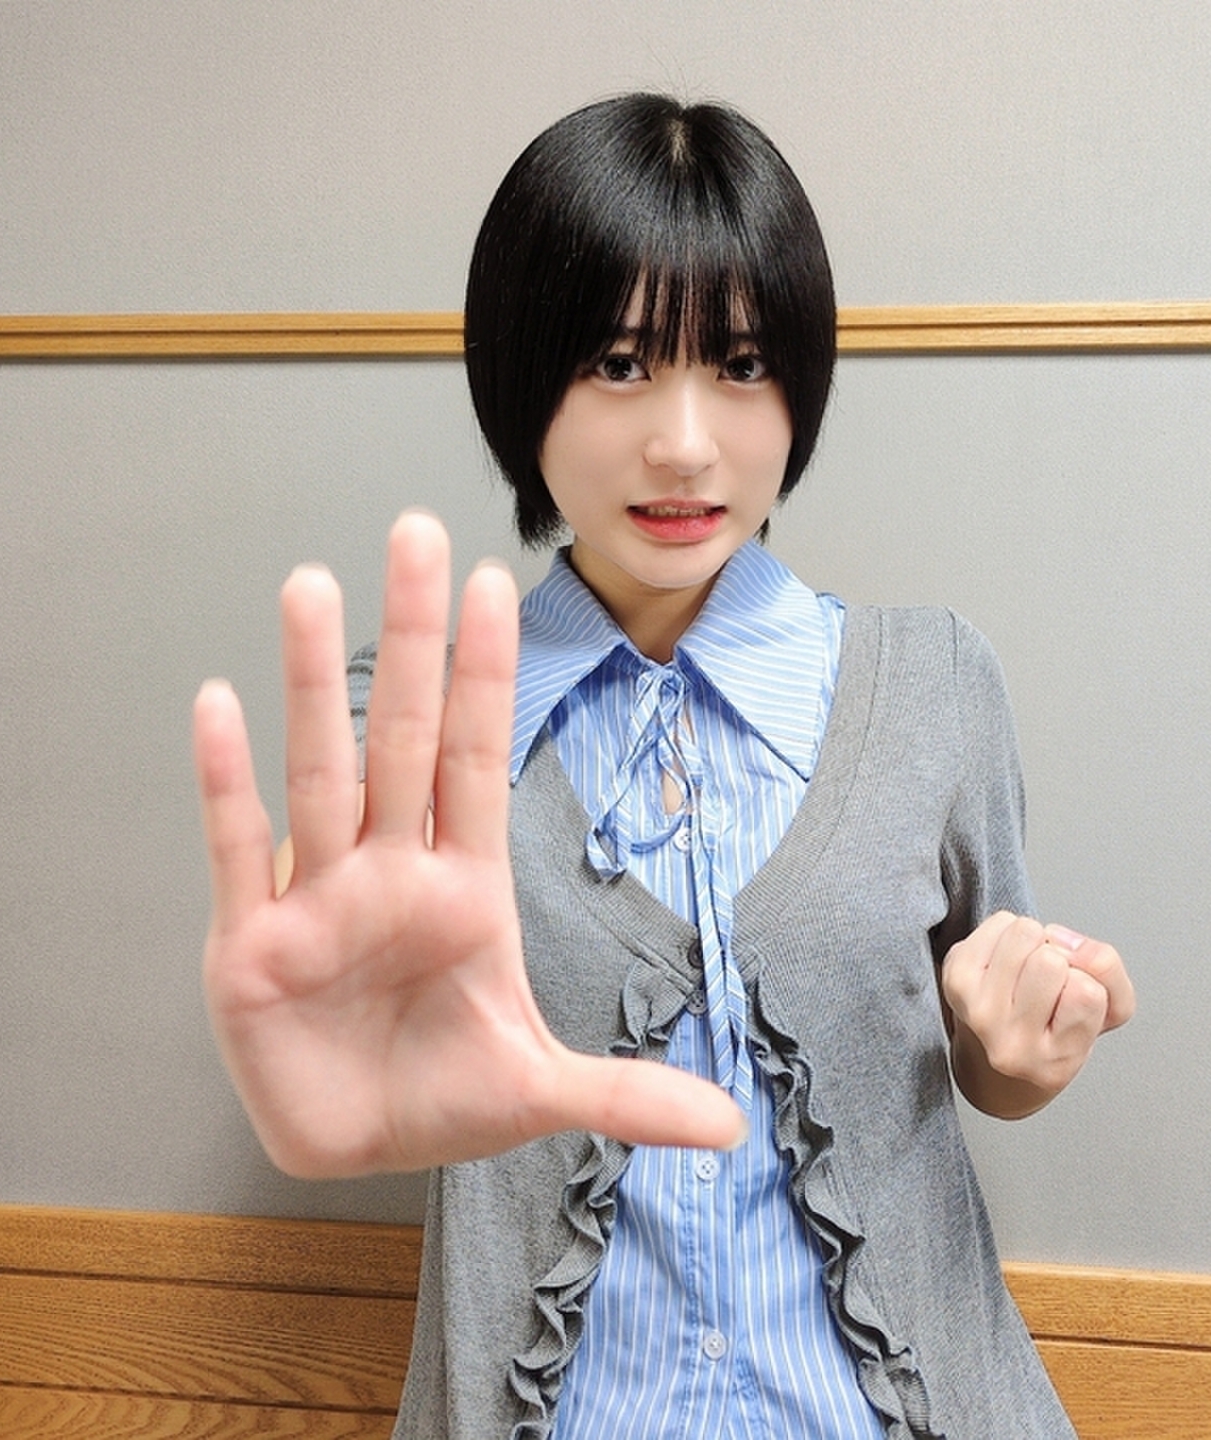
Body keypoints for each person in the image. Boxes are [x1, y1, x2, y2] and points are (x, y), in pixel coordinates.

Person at [194, 93, 1133, 1439]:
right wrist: (318, 987)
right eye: (621, 363)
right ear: (524, 380)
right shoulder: (412, 722)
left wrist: (1023, 1055)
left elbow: (989, 1045)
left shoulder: (934, 686)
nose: (686, 442)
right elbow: (328, 924)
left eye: (741, 365)